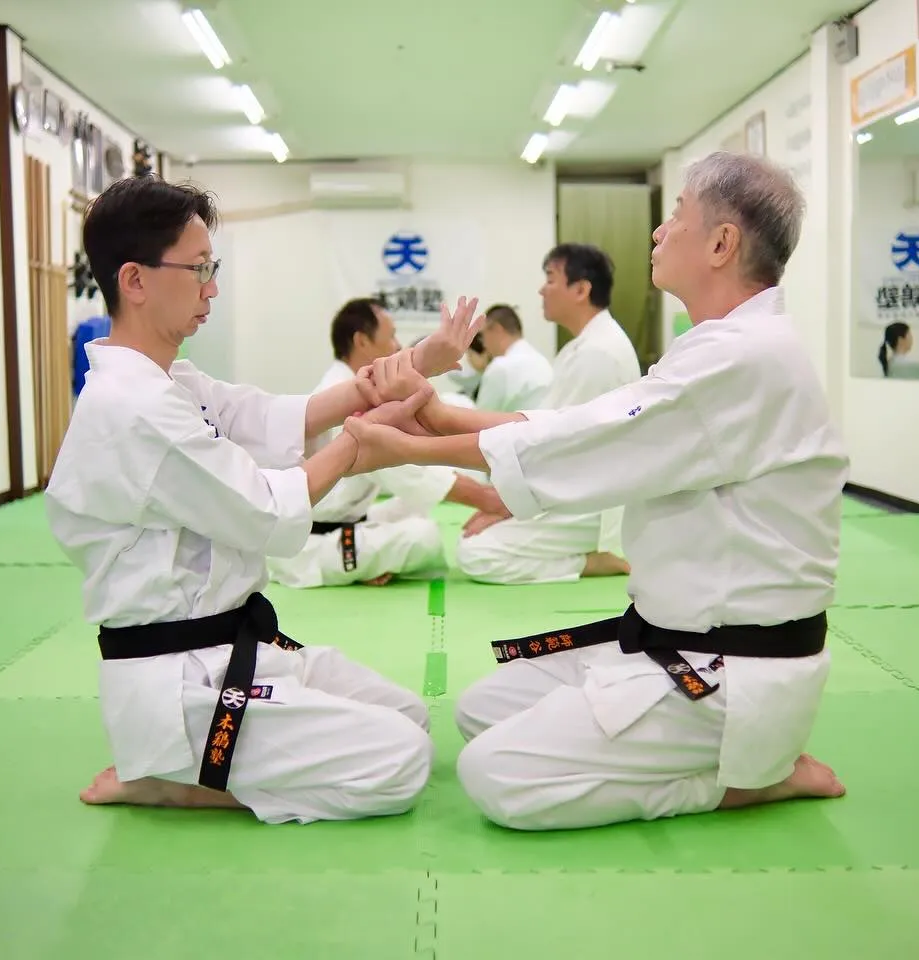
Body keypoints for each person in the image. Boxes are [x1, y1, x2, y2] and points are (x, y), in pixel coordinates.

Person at [340, 151, 849, 831]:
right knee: (478, 710)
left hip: (727, 671)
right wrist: (435, 416)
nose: (657, 234)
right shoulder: (724, 346)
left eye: (675, 218)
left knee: (496, 777)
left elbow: (588, 442)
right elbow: (579, 427)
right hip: (672, 634)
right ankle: (715, 756)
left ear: (723, 243)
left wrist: (415, 441)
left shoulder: (742, 356)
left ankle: (739, 782)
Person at [42, 175, 479, 823]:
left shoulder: (172, 382)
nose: (211, 288)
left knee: (408, 715)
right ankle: (171, 776)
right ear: (134, 281)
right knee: (401, 762)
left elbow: (282, 417)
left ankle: (185, 768)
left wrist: (419, 362)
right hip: (183, 682)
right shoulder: (132, 408)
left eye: (211, 268)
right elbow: (266, 511)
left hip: (236, 645)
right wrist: (363, 445)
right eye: (197, 270)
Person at [266, 297, 503, 589]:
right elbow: (411, 473)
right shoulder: (340, 398)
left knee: (415, 508)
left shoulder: (349, 388)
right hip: (312, 546)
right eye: (390, 336)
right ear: (362, 341)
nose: (396, 346)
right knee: (425, 536)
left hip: (347, 518)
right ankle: (354, 564)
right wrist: (489, 499)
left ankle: (368, 558)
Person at [455, 245, 640, 584]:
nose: (542, 289)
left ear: (581, 290)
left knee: (476, 553)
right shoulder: (581, 348)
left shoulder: (598, 353)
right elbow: (544, 435)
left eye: (551, 279)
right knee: (471, 539)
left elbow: (558, 447)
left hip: (590, 504)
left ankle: (590, 561)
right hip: (569, 488)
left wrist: (511, 504)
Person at [472, 304, 554, 413]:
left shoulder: (501, 366)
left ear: (497, 329)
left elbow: (479, 419)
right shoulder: (542, 362)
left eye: (482, 335)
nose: (484, 345)